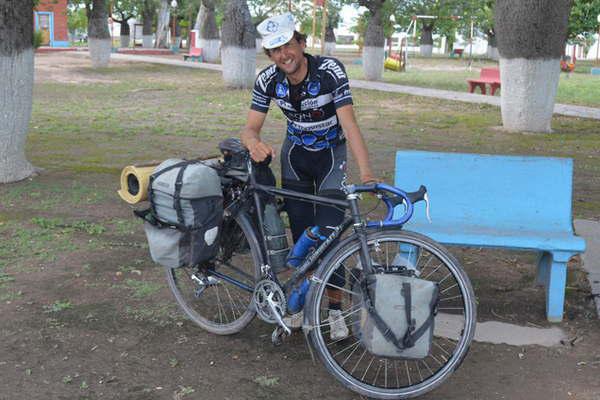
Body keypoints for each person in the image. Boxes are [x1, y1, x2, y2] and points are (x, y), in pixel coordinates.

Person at [240, 13, 377, 340]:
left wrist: (367, 172)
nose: (283, 54)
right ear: (270, 55)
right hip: (295, 158)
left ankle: (335, 310)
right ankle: (299, 304)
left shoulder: (330, 71)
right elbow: (249, 128)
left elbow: (349, 124)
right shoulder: (268, 80)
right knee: (302, 236)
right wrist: (253, 143)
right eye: (275, 50)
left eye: (287, 45)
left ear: (301, 43)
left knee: (329, 238)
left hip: (331, 156)